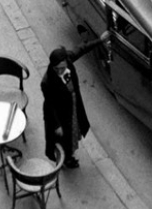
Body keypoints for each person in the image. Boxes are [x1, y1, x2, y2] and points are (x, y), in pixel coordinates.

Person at [42, 31, 109, 169]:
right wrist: (57, 125)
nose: (60, 72)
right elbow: (49, 105)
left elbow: (81, 49)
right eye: (57, 69)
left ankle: (69, 155)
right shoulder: (47, 82)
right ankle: (66, 159)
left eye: (62, 68)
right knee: (63, 139)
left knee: (72, 134)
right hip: (60, 114)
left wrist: (100, 40)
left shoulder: (68, 60)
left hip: (72, 106)